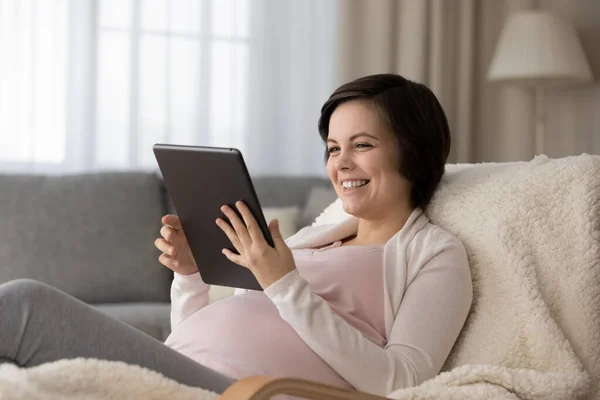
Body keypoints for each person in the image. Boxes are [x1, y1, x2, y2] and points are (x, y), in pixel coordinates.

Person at [0, 74, 472, 397]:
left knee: (26, 307)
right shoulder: (317, 235)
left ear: (413, 151)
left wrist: (284, 284)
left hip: (243, 394)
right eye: (332, 148)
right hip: (180, 370)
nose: (340, 163)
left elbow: (401, 383)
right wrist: (191, 276)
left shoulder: (434, 254)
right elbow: (190, 340)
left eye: (361, 145)